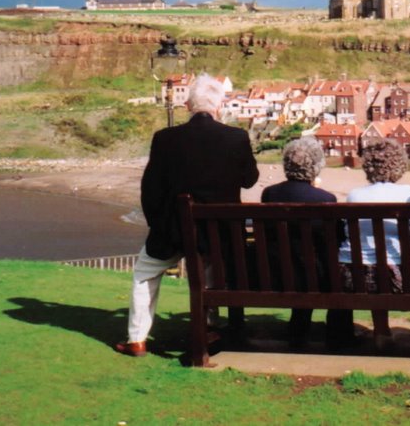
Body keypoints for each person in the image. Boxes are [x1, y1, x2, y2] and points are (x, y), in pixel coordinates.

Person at [115, 74, 259, 357]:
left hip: (173, 232)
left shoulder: (165, 138)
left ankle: (137, 339)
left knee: (144, 274)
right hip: (219, 237)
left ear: (188, 105)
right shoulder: (236, 138)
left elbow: (150, 189)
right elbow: (250, 180)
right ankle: (208, 327)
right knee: (210, 270)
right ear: (218, 107)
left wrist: (158, 225)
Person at [334, 139, 410, 350]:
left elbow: (346, 231)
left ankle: (381, 331)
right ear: (400, 164)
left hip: (354, 277)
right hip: (405, 277)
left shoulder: (355, 195)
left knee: (369, 261)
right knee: (388, 264)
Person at [260, 137, 340, 349]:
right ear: (317, 166)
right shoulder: (326, 198)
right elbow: (333, 239)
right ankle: (340, 334)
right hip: (313, 275)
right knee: (330, 268)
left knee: (301, 261)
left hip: (274, 272)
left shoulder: (269, 194)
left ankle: (298, 329)